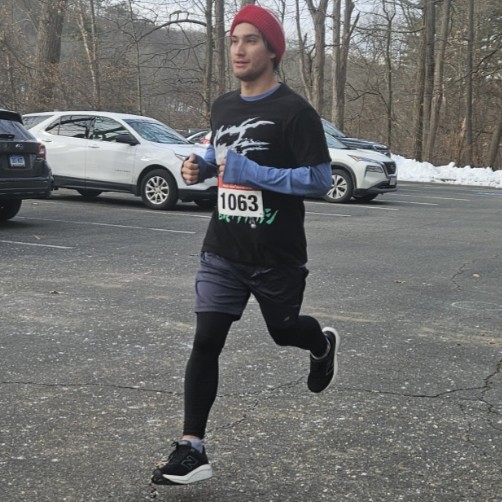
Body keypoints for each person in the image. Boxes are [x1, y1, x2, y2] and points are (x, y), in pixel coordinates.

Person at [151, 4, 340, 486]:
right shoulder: (224, 106)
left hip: (276, 253)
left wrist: (251, 172)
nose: (238, 49)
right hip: (224, 247)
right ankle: (192, 448)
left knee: (284, 331)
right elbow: (218, 154)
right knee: (206, 341)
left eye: (251, 40)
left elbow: (319, 180)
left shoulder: (295, 112)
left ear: (273, 50)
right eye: (234, 40)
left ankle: (321, 344)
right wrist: (199, 166)